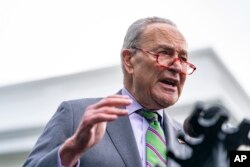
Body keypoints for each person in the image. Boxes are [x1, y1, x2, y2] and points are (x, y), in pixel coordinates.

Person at [23, 16, 196, 167]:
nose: (177, 66)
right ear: (129, 60)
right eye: (164, 53)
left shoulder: (190, 140)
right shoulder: (77, 115)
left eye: (183, 59)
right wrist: (71, 151)